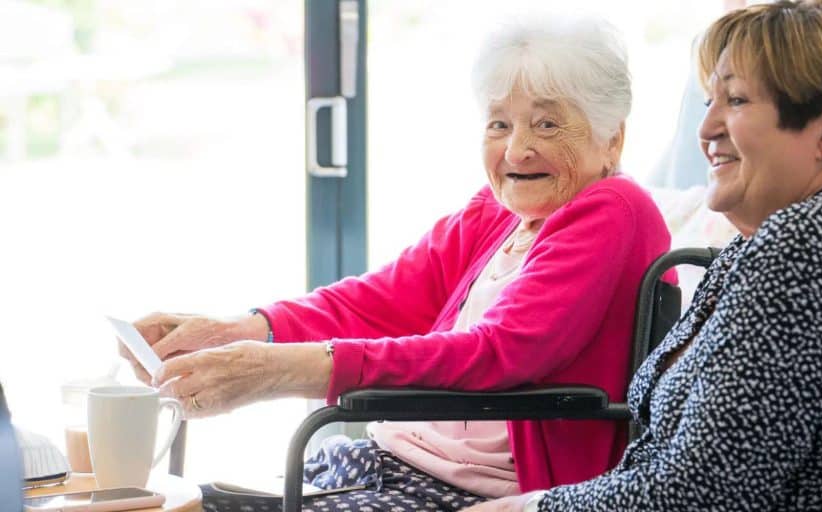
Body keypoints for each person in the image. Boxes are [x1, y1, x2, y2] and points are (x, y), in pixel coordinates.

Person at [118, 14, 674, 512]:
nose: (516, 150)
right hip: (380, 463)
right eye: (500, 123)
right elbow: (380, 300)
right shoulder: (495, 214)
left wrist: (277, 371)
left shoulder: (614, 210)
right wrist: (236, 332)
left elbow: (501, 351)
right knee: (173, 504)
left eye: (547, 124)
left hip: (472, 491)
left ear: (612, 139)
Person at [467, 1, 822, 510]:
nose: (705, 129)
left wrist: (530, 508)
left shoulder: (813, 248)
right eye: (709, 100)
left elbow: (703, 495)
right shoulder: (801, 239)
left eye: (735, 100)